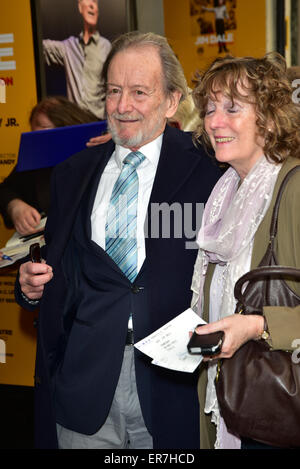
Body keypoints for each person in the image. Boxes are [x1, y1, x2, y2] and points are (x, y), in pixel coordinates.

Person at [15, 31, 221, 449]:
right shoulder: (73, 173)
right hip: (83, 384)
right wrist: (32, 288)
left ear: (170, 101)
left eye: (139, 92)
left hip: (175, 387)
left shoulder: (210, 168)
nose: (123, 106)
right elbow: (59, 272)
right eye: (113, 91)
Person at [190, 53, 300, 449]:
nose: (215, 121)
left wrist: (257, 325)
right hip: (236, 402)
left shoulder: (294, 189)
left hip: (280, 410)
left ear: (269, 118)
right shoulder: (225, 193)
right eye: (209, 109)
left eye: (232, 108)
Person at [0, 96, 99, 236]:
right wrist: (15, 206)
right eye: (35, 135)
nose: (39, 143)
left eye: (45, 131)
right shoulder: (35, 157)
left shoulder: (98, 152)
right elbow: (5, 190)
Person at [43, 0, 111, 119]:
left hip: (99, 122)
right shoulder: (68, 46)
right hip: (75, 122)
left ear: (98, 11)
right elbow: (35, 44)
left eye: (95, 2)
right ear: (80, 7)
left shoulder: (106, 47)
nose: (92, 5)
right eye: (88, 0)